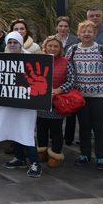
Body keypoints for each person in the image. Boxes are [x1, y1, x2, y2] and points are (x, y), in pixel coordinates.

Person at [0, 31, 42, 178]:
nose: (12, 45)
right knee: (13, 129)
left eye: (15, 42)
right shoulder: (3, 59)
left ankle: (35, 163)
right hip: (8, 103)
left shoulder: (31, 60)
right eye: (10, 42)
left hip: (26, 105)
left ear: (21, 43)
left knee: (25, 132)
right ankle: (20, 158)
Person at [65, 20, 103, 170]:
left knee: (99, 126)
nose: (86, 34)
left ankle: (102, 157)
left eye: (90, 31)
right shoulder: (73, 50)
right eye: (84, 31)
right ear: (79, 34)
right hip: (80, 95)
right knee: (84, 126)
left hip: (100, 95)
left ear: (95, 34)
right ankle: (84, 154)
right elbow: (67, 71)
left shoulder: (102, 50)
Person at [37, 36, 73, 168]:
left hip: (57, 102)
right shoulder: (39, 61)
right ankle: (42, 152)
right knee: (41, 128)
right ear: (45, 47)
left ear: (60, 49)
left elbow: (71, 81)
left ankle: (56, 154)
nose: (52, 48)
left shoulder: (66, 62)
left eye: (55, 46)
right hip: (40, 101)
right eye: (50, 46)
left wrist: (60, 89)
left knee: (56, 130)